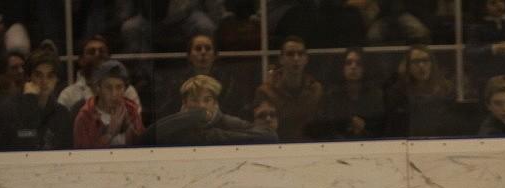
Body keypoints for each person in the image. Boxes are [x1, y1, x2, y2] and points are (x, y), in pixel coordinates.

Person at [142, 74, 277, 146]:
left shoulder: (227, 122)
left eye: (207, 100)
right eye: (194, 100)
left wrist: (212, 136)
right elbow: (146, 137)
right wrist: (189, 118)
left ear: (215, 103)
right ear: (184, 103)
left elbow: (269, 135)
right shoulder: (174, 125)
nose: (201, 105)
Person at [0, 48, 71, 150]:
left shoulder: (62, 113)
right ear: (28, 77)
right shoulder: (9, 110)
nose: (44, 81)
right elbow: (25, 145)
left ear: (56, 79)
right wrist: (30, 101)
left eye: (50, 76)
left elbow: (68, 154)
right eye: (38, 75)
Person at [254, 35, 323, 142]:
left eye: (300, 54)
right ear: (281, 59)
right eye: (290, 54)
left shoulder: (316, 90)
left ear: (306, 59)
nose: (296, 59)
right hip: (277, 146)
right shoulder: (266, 92)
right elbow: (261, 130)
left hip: (311, 146)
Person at [57, 34, 141, 116]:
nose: (97, 54)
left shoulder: (127, 91)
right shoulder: (68, 95)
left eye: (102, 51)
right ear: (81, 60)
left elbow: (136, 122)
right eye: (91, 52)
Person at [383, 44, 455, 137]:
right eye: (415, 61)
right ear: (408, 65)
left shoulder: (445, 89)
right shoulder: (398, 92)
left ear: (432, 63)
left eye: (425, 60)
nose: (421, 65)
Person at [314, 47, 384, 140]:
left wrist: (365, 127)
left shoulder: (375, 96)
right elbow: (326, 129)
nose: (353, 67)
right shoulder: (332, 96)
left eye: (358, 63)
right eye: (348, 63)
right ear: (342, 67)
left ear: (364, 68)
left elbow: (380, 128)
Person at [73, 59, 144, 149]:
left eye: (119, 87)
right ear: (98, 88)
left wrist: (129, 127)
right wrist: (109, 134)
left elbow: (144, 148)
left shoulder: (131, 110)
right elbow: (83, 155)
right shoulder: (85, 117)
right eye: (108, 87)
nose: (114, 94)